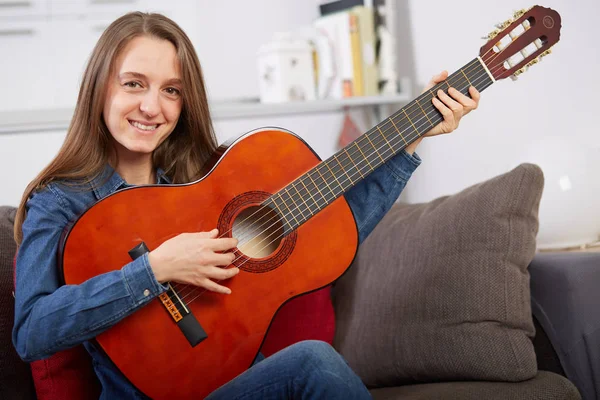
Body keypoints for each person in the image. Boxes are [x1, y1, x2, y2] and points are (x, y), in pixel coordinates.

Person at [12, 12, 480, 400]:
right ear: (100, 88)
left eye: (171, 90)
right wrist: (154, 270)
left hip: (237, 386)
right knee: (312, 360)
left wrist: (412, 137)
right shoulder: (60, 199)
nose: (152, 107)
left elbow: (333, 233)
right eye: (134, 84)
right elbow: (32, 332)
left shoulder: (203, 178)